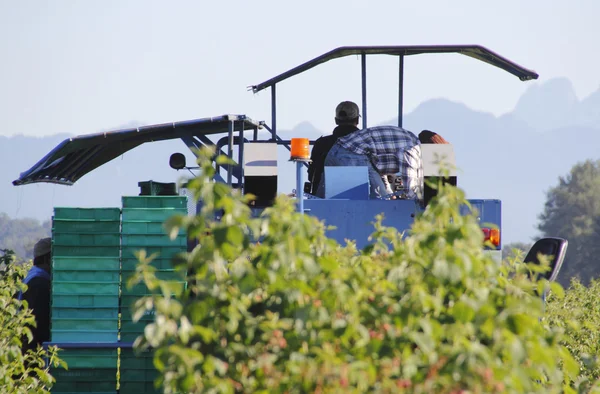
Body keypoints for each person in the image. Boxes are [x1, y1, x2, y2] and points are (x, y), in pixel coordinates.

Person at [322, 125, 422, 200]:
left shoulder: (410, 138)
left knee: (322, 199)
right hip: (353, 153)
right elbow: (410, 190)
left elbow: (378, 169)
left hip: (336, 150)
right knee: (381, 202)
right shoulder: (413, 150)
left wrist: (389, 192)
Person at [308, 101, 360, 197]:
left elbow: (312, 176)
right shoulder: (366, 143)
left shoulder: (321, 144)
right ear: (357, 120)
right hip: (363, 198)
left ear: (336, 120)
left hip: (323, 198)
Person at [18, 237, 52, 351]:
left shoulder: (32, 276)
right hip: (33, 351)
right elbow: (39, 324)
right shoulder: (39, 283)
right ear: (48, 258)